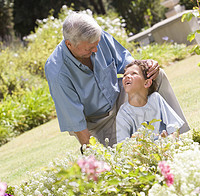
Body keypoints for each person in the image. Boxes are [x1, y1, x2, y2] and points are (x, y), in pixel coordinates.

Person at [45, 11, 190, 149]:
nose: (96, 50)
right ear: (69, 44)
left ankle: (181, 138)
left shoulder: (97, 38)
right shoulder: (57, 72)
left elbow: (129, 65)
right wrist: (93, 152)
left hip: (121, 99)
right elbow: (76, 121)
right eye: (89, 49)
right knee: (124, 156)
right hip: (99, 123)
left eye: (97, 44)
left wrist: (147, 67)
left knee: (156, 75)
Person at [116, 60, 185, 143]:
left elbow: (174, 127)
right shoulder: (123, 113)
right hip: (142, 153)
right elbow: (123, 144)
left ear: (147, 83)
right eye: (125, 75)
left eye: (134, 73)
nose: (127, 77)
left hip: (166, 147)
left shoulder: (156, 99)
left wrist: (170, 139)